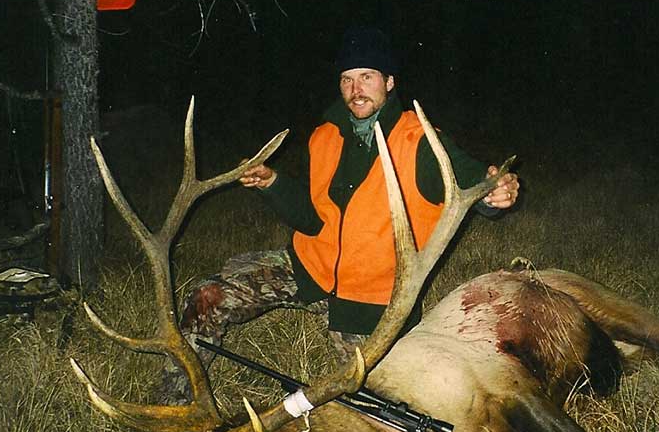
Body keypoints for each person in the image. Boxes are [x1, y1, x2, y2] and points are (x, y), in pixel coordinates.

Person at [161, 27, 519, 401]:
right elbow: (314, 217)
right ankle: (174, 404)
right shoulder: (325, 136)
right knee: (207, 297)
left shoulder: (420, 141)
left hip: (370, 301)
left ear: (389, 82)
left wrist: (492, 193)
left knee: (373, 403)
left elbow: (471, 179)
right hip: (310, 269)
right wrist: (273, 183)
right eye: (347, 79)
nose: (355, 89)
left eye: (367, 77)